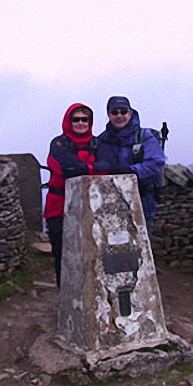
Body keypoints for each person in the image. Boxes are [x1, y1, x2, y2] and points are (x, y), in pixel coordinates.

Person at [44, 103, 109, 287]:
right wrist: (92, 169)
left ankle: (91, 291)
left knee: (92, 248)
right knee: (62, 251)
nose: (80, 123)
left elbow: (107, 165)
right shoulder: (58, 144)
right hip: (58, 206)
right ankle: (65, 293)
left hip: (92, 204)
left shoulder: (97, 143)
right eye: (76, 119)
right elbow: (66, 168)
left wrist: (84, 169)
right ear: (68, 121)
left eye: (84, 119)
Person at [98, 96, 165, 237]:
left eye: (123, 111)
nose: (119, 116)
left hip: (141, 205)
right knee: (112, 251)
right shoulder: (101, 140)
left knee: (141, 254)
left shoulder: (144, 137)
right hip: (109, 206)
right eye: (114, 112)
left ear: (130, 113)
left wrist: (131, 171)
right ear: (108, 115)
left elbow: (156, 163)